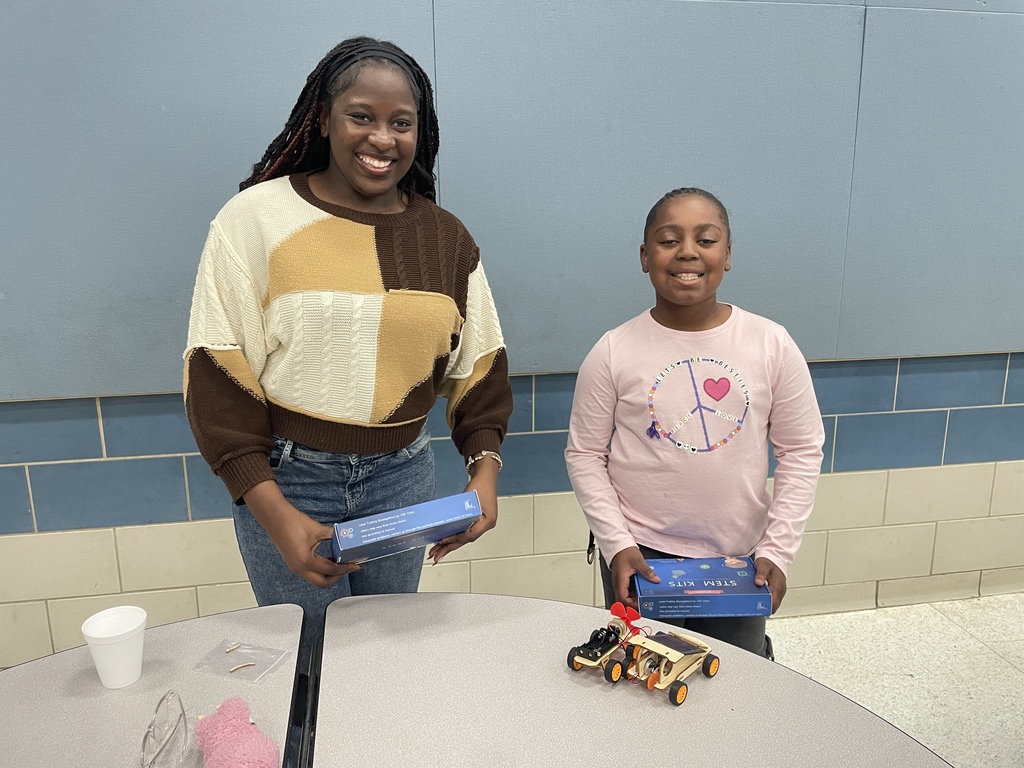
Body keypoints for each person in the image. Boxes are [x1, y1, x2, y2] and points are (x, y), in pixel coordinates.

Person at [183, 37, 513, 666]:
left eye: (401, 122)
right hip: (288, 481)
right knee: (304, 663)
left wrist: (485, 472)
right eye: (362, 115)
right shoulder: (253, 220)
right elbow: (216, 371)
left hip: (402, 480)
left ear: (422, 132)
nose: (382, 138)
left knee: (384, 661)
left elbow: (480, 365)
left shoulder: (444, 239)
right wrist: (272, 511)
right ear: (324, 118)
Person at [565, 188, 823, 658]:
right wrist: (616, 544)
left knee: (736, 675)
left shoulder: (771, 344)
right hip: (642, 555)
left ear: (727, 255)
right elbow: (584, 454)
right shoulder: (612, 351)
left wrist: (777, 550)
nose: (687, 251)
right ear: (645, 256)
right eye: (669, 240)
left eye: (706, 239)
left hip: (741, 559)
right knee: (648, 671)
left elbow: (802, 450)